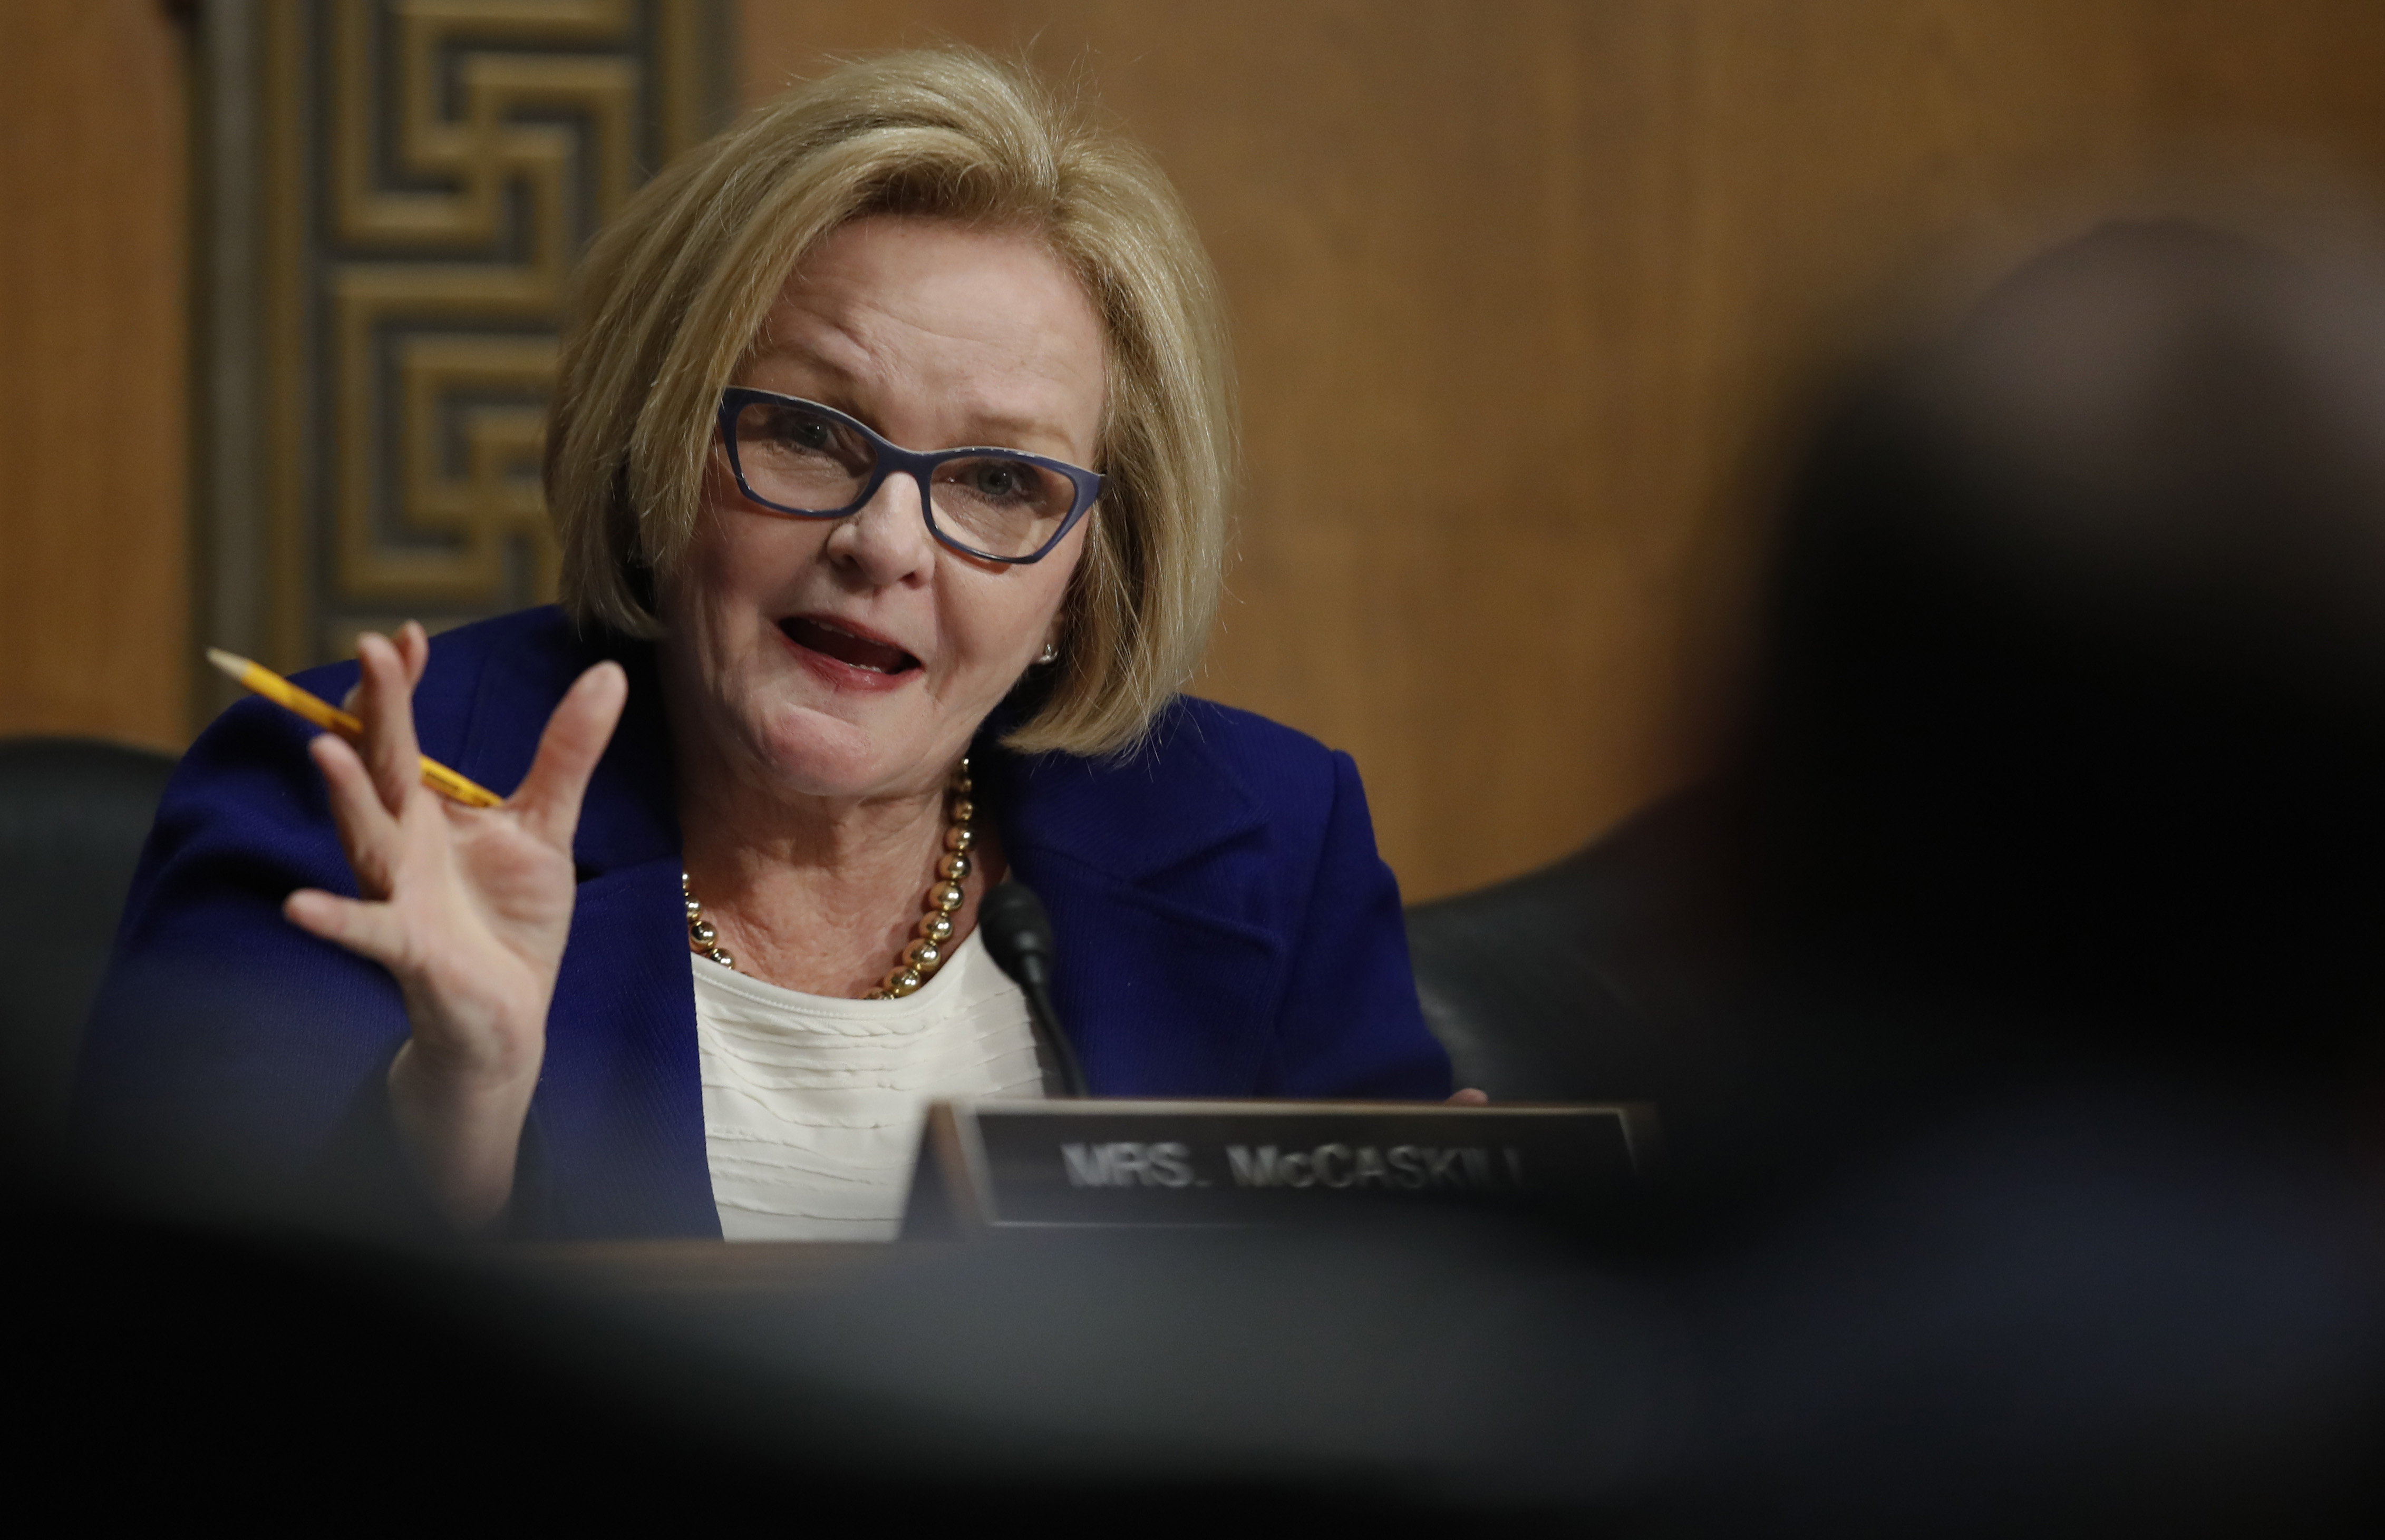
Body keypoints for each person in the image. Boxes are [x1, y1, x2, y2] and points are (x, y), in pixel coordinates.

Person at [75, 50, 1450, 1241]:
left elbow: (1424, 1364)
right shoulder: (359, 792)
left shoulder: (1263, 842)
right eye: (805, 430)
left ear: (1087, 574)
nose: (887, 542)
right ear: (659, 442)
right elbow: (171, 1386)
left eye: (1001, 482)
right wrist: (457, 1102)